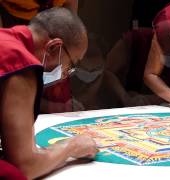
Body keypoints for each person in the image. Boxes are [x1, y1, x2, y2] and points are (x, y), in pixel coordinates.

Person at [0, 7, 97, 179]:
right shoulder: (21, 63)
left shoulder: (6, 38)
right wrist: (71, 146)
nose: (67, 73)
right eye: (71, 65)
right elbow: (25, 167)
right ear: (54, 47)